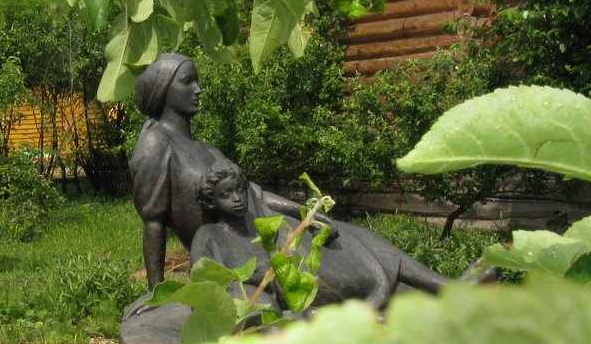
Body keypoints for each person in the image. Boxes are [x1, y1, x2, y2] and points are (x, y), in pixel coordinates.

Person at [130, 53, 336, 288]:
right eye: (188, 81)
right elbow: (153, 221)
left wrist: (305, 214)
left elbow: (255, 195)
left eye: (197, 81)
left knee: (334, 246)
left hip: (265, 232)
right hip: (238, 253)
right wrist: (157, 292)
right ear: (162, 89)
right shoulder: (156, 142)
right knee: (319, 273)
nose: (198, 89)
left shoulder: (205, 149)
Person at [191, 159, 452, 312]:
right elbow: (204, 280)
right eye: (226, 195)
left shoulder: (262, 226)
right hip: (264, 306)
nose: (237, 200)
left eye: (239, 191)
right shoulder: (209, 235)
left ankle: (446, 289)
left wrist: (308, 216)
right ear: (211, 203)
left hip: (305, 290)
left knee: (360, 241)